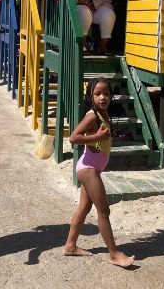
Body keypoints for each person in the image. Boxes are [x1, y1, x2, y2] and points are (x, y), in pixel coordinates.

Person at [63, 78, 134, 267]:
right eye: (97, 94)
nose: (103, 97)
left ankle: (70, 246)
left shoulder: (103, 112)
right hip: (88, 169)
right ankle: (114, 253)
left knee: (84, 208)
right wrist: (98, 136)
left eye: (106, 94)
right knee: (104, 210)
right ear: (90, 96)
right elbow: (73, 137)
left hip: (92, 168)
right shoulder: (92, 116)